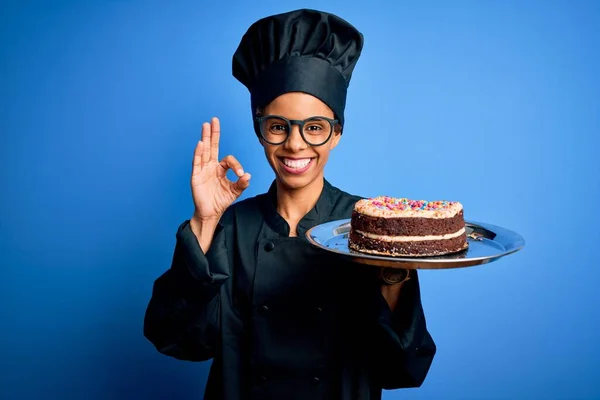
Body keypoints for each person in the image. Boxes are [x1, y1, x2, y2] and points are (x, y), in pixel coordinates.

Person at [143, 8, 436, 400]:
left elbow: (403, 368)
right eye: (279, 126)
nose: (296, 144)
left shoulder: (368, 226)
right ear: (261, 132)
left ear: (336, 135)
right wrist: (204, 221)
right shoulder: (232, 228)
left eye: (315, 127)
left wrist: (394, 274)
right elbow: (179, 341)